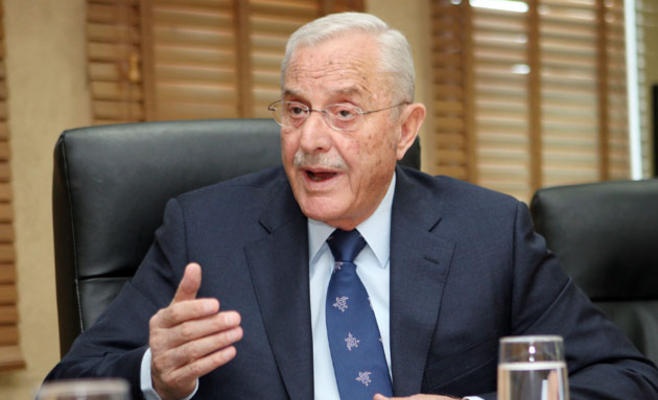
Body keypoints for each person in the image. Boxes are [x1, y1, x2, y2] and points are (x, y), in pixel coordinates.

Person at [44, 11, 658, 400]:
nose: (310, 138)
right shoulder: (204, 231)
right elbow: (67, 387)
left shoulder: (489, 232)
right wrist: (154, 373)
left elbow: (626, 378)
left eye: (343, 111)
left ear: (405, 129)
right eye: (295, 110)